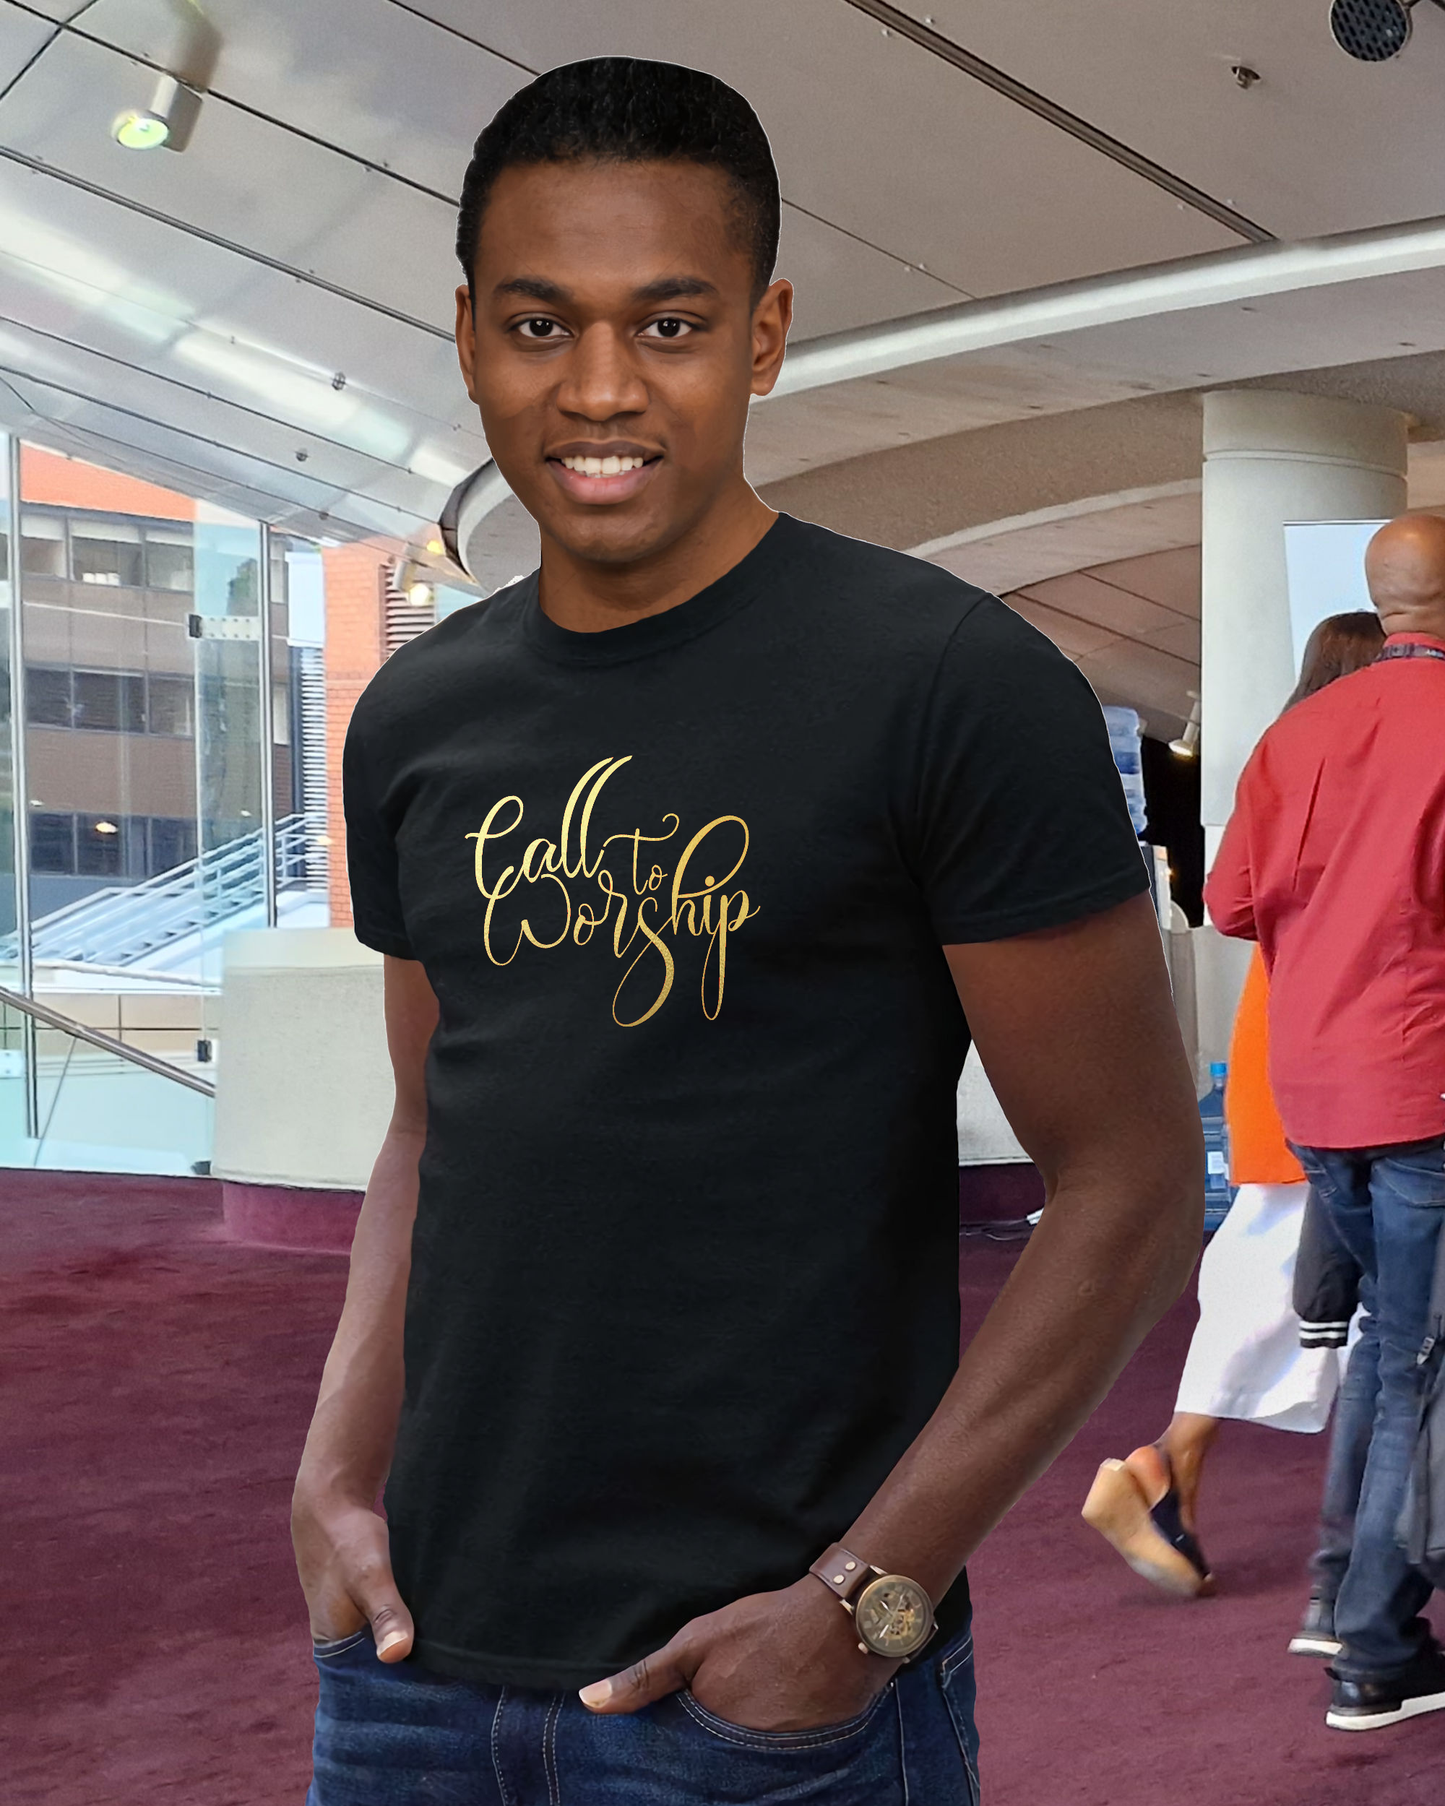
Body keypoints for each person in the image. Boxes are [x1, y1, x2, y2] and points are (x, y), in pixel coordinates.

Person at [291, 57, 1202, 1804]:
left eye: (674, 322)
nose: (603, 389)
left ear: (765, 336)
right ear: (472, 333)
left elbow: (1135, 1178)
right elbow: (432, 1123)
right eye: (544, 324)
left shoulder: (949, 686)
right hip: (410, 1670)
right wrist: (333, 1474)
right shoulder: (416, 714)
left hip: (764, 1701)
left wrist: (863, 1605)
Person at [1082, 613, 1383, 1602]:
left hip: (1288, 1035)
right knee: (1290, 1287)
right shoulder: (1369, 772)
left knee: (1278, 1281)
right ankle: (1166, 1470)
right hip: (1346, 1053)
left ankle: (1167, 1476)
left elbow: (1231, 901)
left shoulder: (1284, 768)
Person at [1207, 515, 1445, 1733]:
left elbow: (1230, 902)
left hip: (1317, 1091)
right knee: (1411, 1357)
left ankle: (1336, 1593)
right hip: (1423, 1088)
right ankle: (1370, 1642)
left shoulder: (1292, 733)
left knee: (1383, 1349)